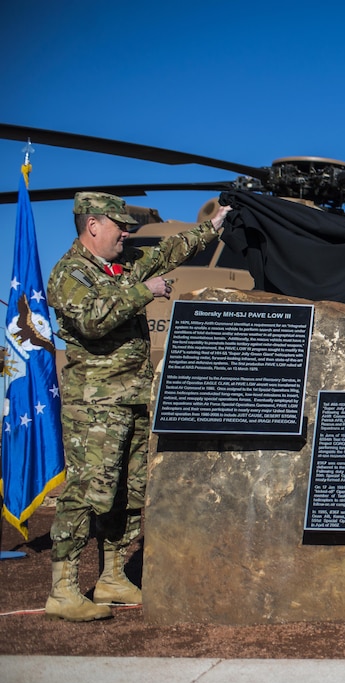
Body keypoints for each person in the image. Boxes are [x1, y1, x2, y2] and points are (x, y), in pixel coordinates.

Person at [45, 191, 231, 621]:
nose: (126, 232)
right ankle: (63, 588)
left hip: (133, 399)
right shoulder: (70, 273)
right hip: (95, 408)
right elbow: (92, 320)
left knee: (129, 494)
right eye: (118, 225)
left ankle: (112, 577)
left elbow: (167, 251)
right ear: (93, 225)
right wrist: (143, 292)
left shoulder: (123, 266)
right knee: (88, 495)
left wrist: (212, 225)